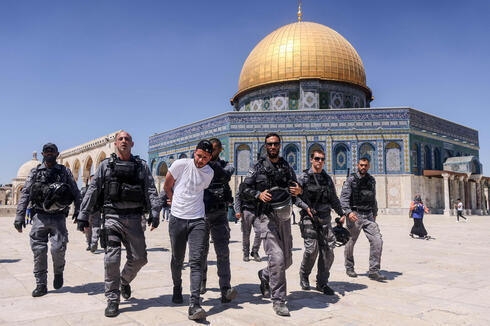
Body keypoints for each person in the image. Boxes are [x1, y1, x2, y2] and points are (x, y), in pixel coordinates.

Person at [77, 131, 162, 318]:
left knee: (140, 259)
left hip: (134, 219)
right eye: (120, 139)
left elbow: (150, 190)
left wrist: (155, 213)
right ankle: (112, 299)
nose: (124, 141)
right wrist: (83, 215)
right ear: (116, 144)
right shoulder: (106, 166)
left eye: (127, 139)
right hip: (112, 217)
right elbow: (93, 189)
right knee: (111, 259)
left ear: (132, 144)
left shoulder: (141, 167)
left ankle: (123, 281)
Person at [241, 133, 302, 316]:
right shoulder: (257, 167)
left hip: (283, 216)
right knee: (277, 257)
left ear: (280, 145)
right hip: (265, 217)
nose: (273, 147)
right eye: (270, 144)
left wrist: (298, 190)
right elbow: (244, 189)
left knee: (287, 260)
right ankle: (279, 300)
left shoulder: (286, 166)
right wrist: (258, 195)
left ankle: (265, 275)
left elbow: (296, 186)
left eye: (276, 144)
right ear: (265, 146)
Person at [14, 143, 81, 297]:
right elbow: (25, 193)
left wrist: (80, 212)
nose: (49, 154)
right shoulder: (35, 172)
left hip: (58, 218)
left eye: (52, 151)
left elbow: (76, 192)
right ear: (43, 154)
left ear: (57, 154)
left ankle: (58, 272)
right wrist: (19, 216)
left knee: (58, 249)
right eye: (47, 151)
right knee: (39, 251)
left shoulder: (64, 172)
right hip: (40, 217)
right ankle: (41, 284)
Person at [163, 140, 214, 321]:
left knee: (196, 261)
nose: (200, 160)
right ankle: (177, 287)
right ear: (195, 152)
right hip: (177, 218)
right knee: (177, 259)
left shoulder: (209, 173)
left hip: (198, 220)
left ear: (210, 158)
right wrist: (174, 202)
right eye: (199, 156)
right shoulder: (180, 164)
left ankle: (194, 303)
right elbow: (167, 186)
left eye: (205, 158)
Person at [296, 149, 345, 295]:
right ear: (311, 160)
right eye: (317, 159)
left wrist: (342, 213)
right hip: (309, 218)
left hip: (325, 219)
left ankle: (322, 283)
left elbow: (333, 199)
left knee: (328, 252)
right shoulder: (303, 178)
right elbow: (295, 198)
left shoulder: (327, 179)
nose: (319, 162)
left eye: (322, 159)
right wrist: (306, 207)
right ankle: (304, 275)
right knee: (312, 250)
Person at [200, 138, 238, 303]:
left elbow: (225, 176)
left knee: (222, 252)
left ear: (220, 150)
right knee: (201, 252)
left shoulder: (226, 165)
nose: (210, 152)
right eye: (208, 149)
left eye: (213, 149)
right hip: (201, 213)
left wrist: (211, 164)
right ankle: (201, 281)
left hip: (219, 213)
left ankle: (225, 287)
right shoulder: (199, 165)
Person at [340, 157, 385, 281]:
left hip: (368, 214)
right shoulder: (351, 180)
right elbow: (343, 198)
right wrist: (348, 212)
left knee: (377, 241)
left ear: (369, 166)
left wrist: (375, 212)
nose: (363, 167)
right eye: (361, 165)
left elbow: (373, 197)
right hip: (355, 215)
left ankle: (374, 270)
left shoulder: (371, 180)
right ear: (357, 165)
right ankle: (349, 267)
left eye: (365, 165)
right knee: (350, 242)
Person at [235, 182, 262, 262]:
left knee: (260, 232)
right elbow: (237, 197)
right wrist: (237, 210)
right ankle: (246, 253)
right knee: (246, 234)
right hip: (246, 211)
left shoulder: (258, 183)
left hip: (257, 211)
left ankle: (255, 251)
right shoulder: (243, 184)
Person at [80, 174, 101, 252]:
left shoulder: (85, 189)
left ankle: (92, 244)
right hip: (92, 211)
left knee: (93, 228)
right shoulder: (98, 190)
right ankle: (91, 243)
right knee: (91, 228)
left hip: (93, 211)